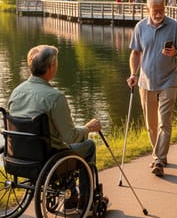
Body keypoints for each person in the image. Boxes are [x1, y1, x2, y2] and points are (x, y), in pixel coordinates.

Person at [7, 45, 108, 207]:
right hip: (47, 158)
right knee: (88, 146)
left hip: (17, 153)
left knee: (59, 146)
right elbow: (69, 136)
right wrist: (89, 128)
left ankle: (71, 195)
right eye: (56, 63)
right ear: (51, 67)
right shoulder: (55, 97)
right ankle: (85, 202)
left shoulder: (16, 91)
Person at [127, 0, 177, 177]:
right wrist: (133, 74)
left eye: (162, 11)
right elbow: (136, 53)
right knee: (151, 124)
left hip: (169, 79)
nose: (159, 14)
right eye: (155, 11)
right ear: (148, 9)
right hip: (146, 81)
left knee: (165, 122)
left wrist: (175, 53)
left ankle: (158, 159)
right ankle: (159, 154)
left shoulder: (174, 26)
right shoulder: (140, 27)